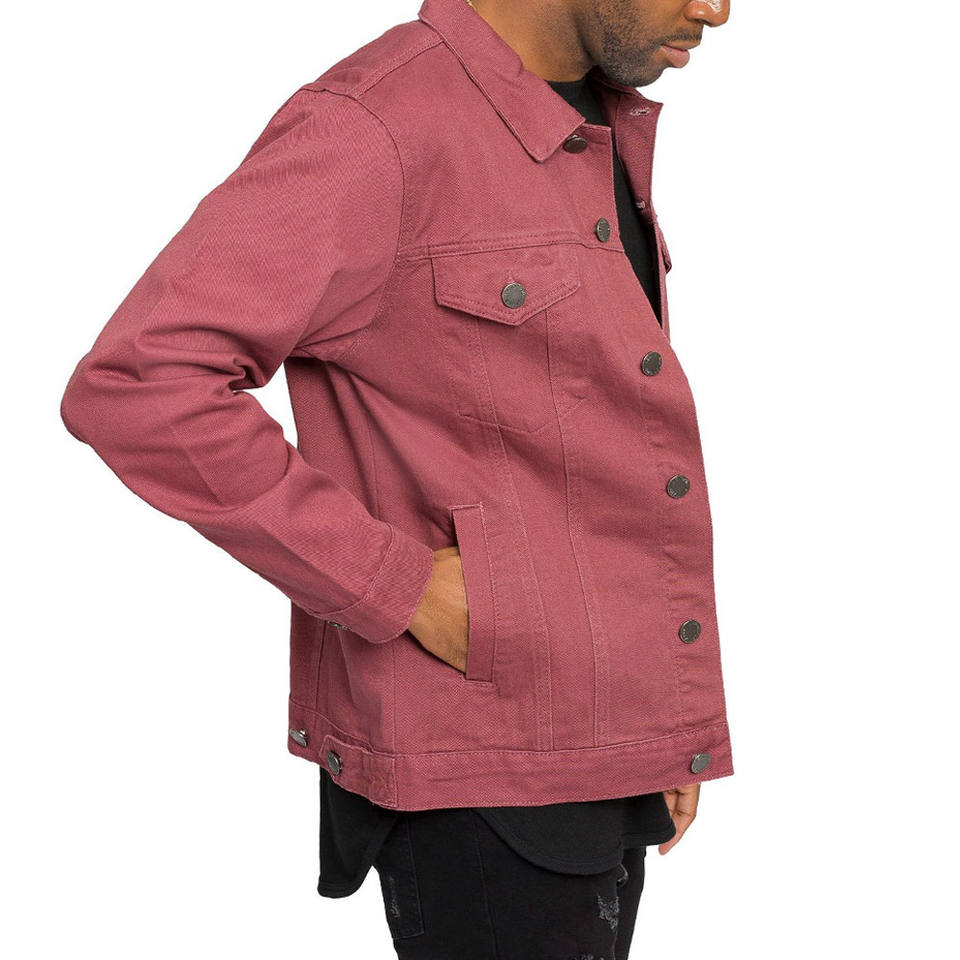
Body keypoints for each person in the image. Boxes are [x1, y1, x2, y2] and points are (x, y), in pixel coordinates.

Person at [60, 0, 734, 956]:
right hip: (474, 767)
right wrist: (397, 584)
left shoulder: (589, 117)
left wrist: (653, 718)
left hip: (593, 738)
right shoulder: (376, 126)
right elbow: (139, 383)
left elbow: (586, 446)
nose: (717, 8)